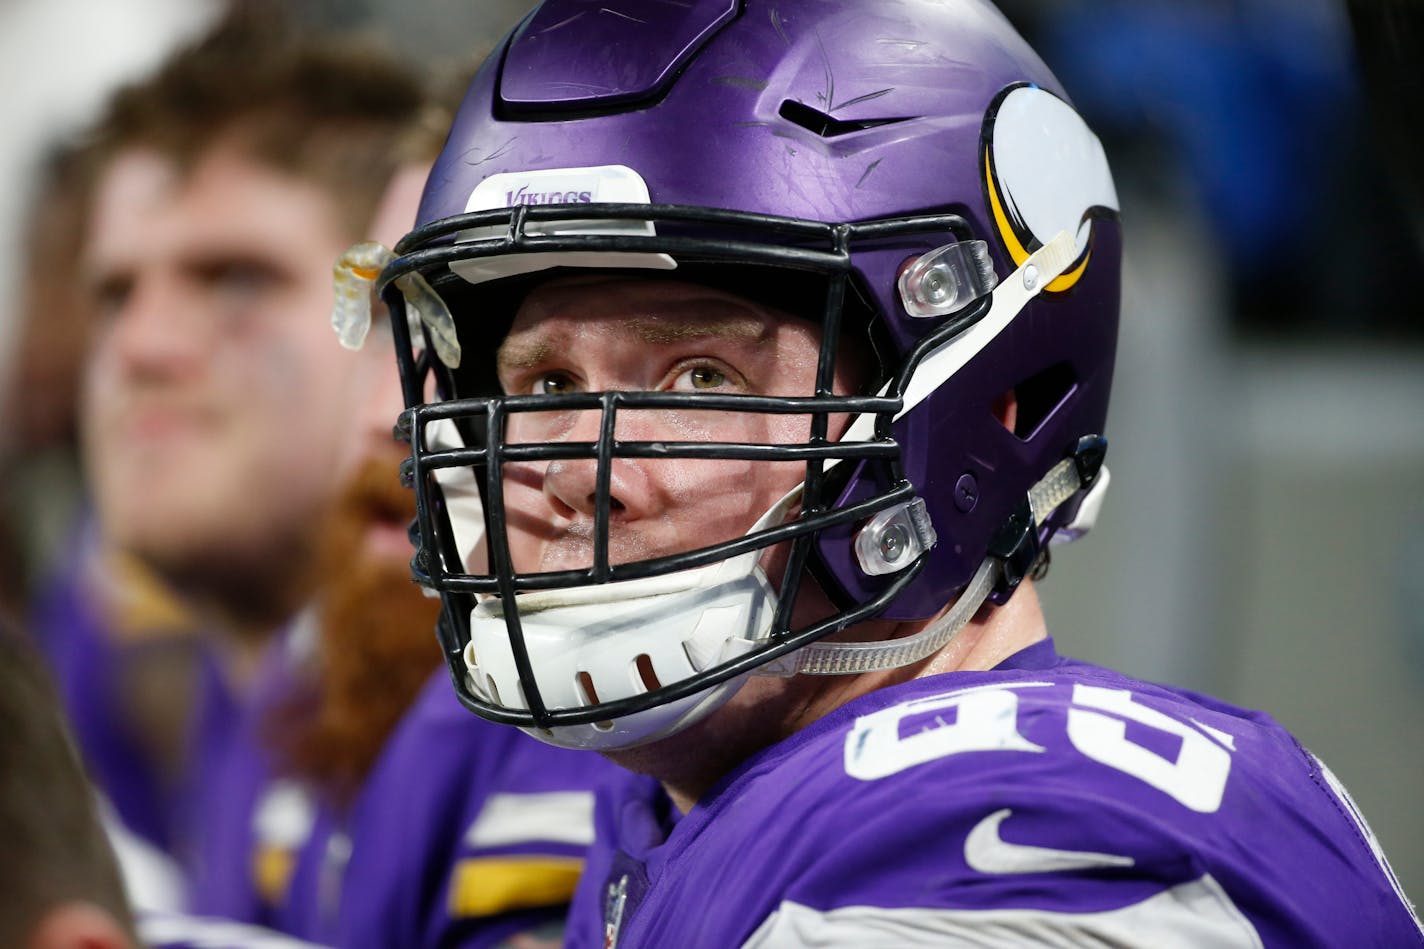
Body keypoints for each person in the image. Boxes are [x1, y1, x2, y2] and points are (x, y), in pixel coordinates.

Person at [376, 0, 1424, 945]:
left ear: (991, 406)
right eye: (547, 389)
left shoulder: (1003, 826)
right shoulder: (676, 808)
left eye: (700, 374)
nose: (573, 471)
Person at [73, 5, 425, 923]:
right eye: (115, 294)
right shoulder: (243, 708)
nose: (141, 347)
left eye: (236, 278)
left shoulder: (523, 717)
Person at [262, 136, 621, 949]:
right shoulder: (307, 676)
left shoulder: (606, 742)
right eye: (393, 326)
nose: (380, 421)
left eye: (469, 341)